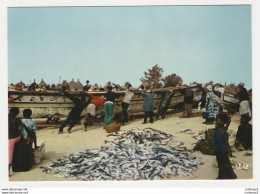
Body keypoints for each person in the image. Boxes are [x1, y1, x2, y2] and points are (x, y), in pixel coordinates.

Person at [213, 113, 237, 179]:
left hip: (223, 151)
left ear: (222, 122)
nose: (216, 121)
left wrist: (229, 118)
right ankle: (220, 176)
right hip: (217, 150)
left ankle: (232, 175)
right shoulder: (217, 129)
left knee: (226, 164)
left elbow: (226, 143)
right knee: (220, 164)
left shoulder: (223, 130)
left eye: (218, 120)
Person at [8, 107, 22, 176]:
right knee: (9, 155)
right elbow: (22, 128)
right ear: (17, 113)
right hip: (13, 138)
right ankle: (8, 171)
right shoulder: (17, 120)